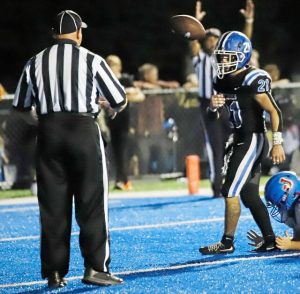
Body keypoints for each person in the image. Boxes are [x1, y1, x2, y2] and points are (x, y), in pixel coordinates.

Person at [12, 10, 126, 288]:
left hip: (49, 134)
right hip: (83, 131)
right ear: (79, 33)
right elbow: (119, 99)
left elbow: (21, 107)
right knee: (91, 202)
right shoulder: (92, 59)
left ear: (54, 34)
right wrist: (109, 110)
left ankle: (54, 273)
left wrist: (47, 121)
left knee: (52, 207)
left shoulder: (34, 62)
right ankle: (96, 268)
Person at [199, 31, 285, 255]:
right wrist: (213, 107)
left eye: (229, 56)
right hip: (239, 138)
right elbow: (213, 117)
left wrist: (277, 142)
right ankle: (270, 240)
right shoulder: (222, 80)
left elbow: (274, 112)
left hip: (253, 139)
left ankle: (227, 242)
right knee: (248, 194)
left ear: (243, 55)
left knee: (228, 190)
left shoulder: (253, 78)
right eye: (222, 56)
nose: (224, 61)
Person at [190, 0, 255, 197]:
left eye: (214, 38)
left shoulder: (228, 57)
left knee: (236, 142)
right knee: (215, 146)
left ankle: (237, 180)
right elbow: (192, 45)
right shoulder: (201, 59)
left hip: (229, 102)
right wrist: (194, 24)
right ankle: (217, 186)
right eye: (207, 37)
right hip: (209, 105)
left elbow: (245, 44)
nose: (210, 40)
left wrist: (249, 20)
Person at [105, 54, 145, 190]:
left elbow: (140, 96)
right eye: (109, 64)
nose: (111, 67)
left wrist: (124, 95)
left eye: (113, 64)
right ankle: (120, 180)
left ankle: (123, 180)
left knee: (123, 151)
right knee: (114, 152)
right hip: (111, 120)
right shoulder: (106, 80)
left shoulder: (125, 80)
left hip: (125, 120)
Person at [247, 171, 300, 250]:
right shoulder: (294, 208)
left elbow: (294, 243)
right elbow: (298, 240)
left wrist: (291, 245)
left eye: (278, 204)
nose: (278, 209)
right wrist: (272, 242)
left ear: (292, 195)